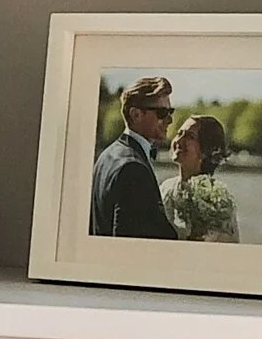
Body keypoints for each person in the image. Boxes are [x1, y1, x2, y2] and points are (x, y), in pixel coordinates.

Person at [90, 79, 178, 237]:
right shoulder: (133, 169)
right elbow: (131, 242)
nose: (170, 120)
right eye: (162, 113)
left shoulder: (106, 156)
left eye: (170, 112)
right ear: (136, 115)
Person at [164, 113, 240, 241]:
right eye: (179, 133)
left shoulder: (216, 199)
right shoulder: (166, 187)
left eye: (190, 136)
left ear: (206, 150)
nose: (179, 140)